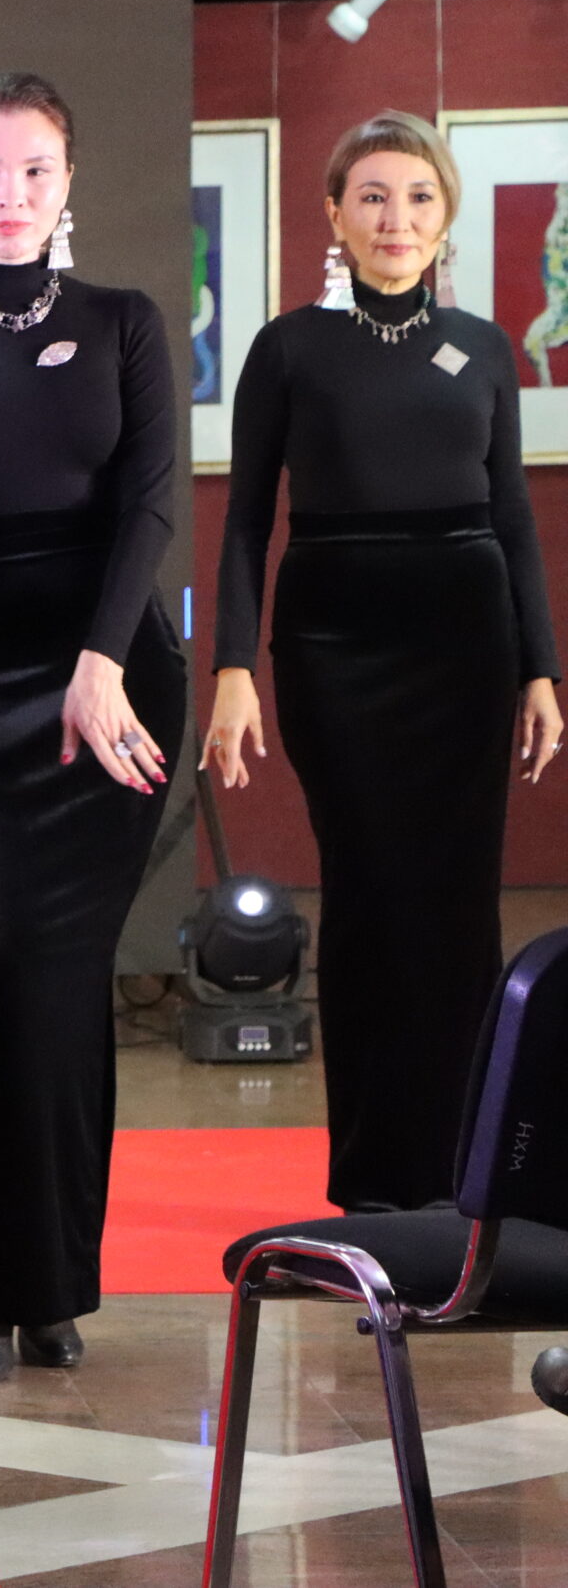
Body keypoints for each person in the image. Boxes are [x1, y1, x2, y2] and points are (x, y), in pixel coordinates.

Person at [0, 74, 185, 1385]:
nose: (9, 194)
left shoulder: (124, 322)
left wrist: (102, 663)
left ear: (69, 184)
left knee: (65, 977)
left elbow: (152, 503)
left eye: (34, 170)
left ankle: (52, 1288)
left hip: (106, 687)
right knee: (1, 970)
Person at [208, 110, 562, 1214]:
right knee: (367, 899)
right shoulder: (288, 348)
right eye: (371, 195)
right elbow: (242, 522)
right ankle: (372, 1180)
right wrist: (231, 667)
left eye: (417, 196)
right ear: (334, 213)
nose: (395, 217)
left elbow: (512, 517)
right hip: (334, 650)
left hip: (466, 646)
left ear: (444, 215)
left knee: (456, 909)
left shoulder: (485, 348)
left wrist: (541, 670)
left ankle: (463, 1177)